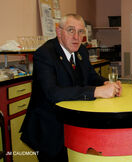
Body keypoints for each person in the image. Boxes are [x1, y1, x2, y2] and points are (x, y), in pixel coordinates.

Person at [20, 13, 122, 162]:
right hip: (49, 129)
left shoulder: (81, 51)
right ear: (59, 32)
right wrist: (95, 91)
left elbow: (91, 77)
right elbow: (52, 93)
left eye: (80, 32)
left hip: (72, 124)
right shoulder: (45, 54)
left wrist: (107, 83)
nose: (76, 37)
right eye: (71, 30)